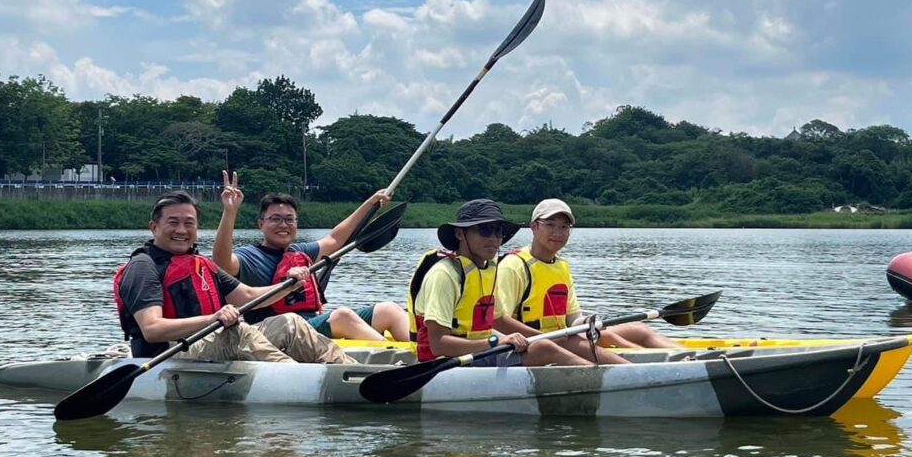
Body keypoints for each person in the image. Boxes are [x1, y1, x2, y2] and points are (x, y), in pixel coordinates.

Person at [115, 190, 356, 364]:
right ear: (154, 227)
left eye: (189, 223)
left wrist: (290, 285)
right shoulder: (143, 266)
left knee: (288, 322)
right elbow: (152, 329)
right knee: (237, 332)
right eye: (173, 222)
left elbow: (249, 296)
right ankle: (299, 378)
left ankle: (350, 369)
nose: (182, 230)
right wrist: (213, 319)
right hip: (169, 353)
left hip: (210, 342)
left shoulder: (201, 264)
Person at [408, 198, 626, 366]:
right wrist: (496, 343)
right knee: (544, 349)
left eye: (498, 231)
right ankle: (606, 380)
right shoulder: (445, 275)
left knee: (558, 342)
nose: (493, 238)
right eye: (484, 230)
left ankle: (620, 373)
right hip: (445, 363)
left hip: (481, 353)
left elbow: (497, 320)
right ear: (459, 234)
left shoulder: (489, 267)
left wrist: (549, 336)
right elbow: (438, 345)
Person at [212, 171, 410, 342]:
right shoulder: (248, 256)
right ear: (261, 224)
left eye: (289, 219)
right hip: (276, 330)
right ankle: (395, 358)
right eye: (275, 219)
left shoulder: (302, 252)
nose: (283, 225)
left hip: (311, 323)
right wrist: (230, 212)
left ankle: (424, 358)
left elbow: (335, 238)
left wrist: (370, 203)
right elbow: (221, 262)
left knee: (389, 310)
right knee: (342, 316)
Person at [496, 198, 679, 361]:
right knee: (573, 341)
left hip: (561, 335)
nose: (558, 233)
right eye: (550, 225)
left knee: (637, 329)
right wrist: (548, 336)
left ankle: (689, 357)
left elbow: (572, 317)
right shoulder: (514, 265)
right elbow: (499, 320)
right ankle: (647, 367)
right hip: (531, 343)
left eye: (564, 227)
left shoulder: (561, 266)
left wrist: (587, 323)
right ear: (534, 227)